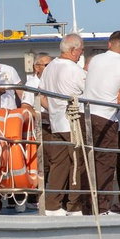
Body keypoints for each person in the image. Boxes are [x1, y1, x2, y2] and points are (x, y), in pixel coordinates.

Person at [83, 31, 120, 215]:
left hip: (85, 113)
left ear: (109, 44)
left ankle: (84, 205)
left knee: (85, 160)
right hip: (106, 117)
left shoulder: (95, 60)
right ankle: (101, 208)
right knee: (104, 164)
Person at [39, 33, 89, 215]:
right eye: (81, 50)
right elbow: (92, 93)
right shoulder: (75, 70)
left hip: (56, 123)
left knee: (58, 164)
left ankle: (52, 205)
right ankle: (74, 206)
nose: (81, 54)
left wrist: (54, 109)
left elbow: (41, 95)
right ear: (74, 50)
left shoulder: (50, 67)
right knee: (77, 163)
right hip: (73, 124)